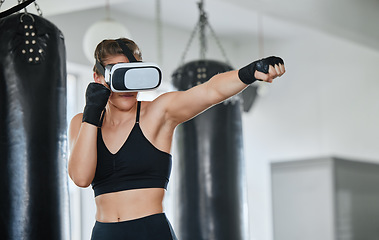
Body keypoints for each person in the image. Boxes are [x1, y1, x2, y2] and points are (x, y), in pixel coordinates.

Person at [68, 38, 285, 240]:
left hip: (151, 232)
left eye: (133, 74)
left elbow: (209, 91)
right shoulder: (82, 123)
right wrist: (91, 114)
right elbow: (81, 178)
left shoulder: (158, 113)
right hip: (104, 233)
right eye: (119, 74)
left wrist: (249, 73)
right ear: (97, 78)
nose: (128, 86)